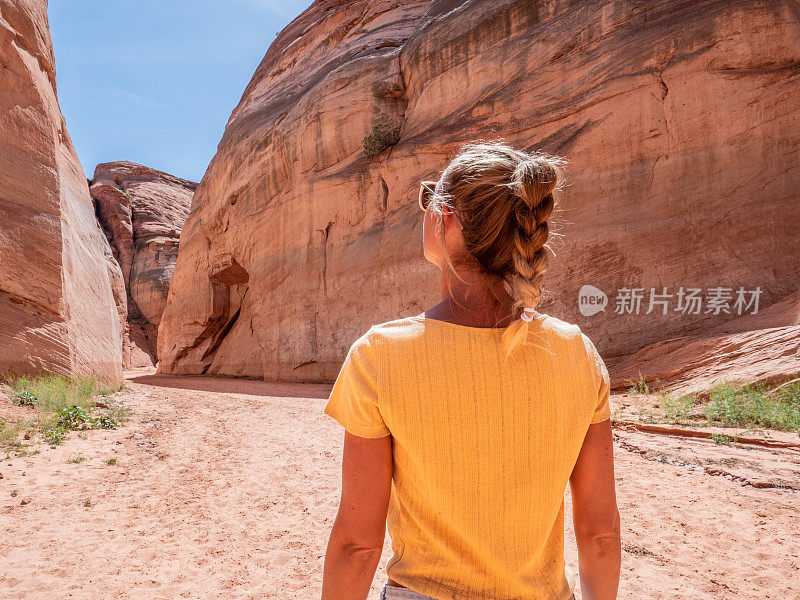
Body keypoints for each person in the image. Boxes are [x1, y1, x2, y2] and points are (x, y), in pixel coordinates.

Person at [321, 141, 621, 600]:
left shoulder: (380, 355)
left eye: (428, 200)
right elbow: (600, 534)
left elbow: (358, 544)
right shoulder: (576, 353)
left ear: (446, 219)